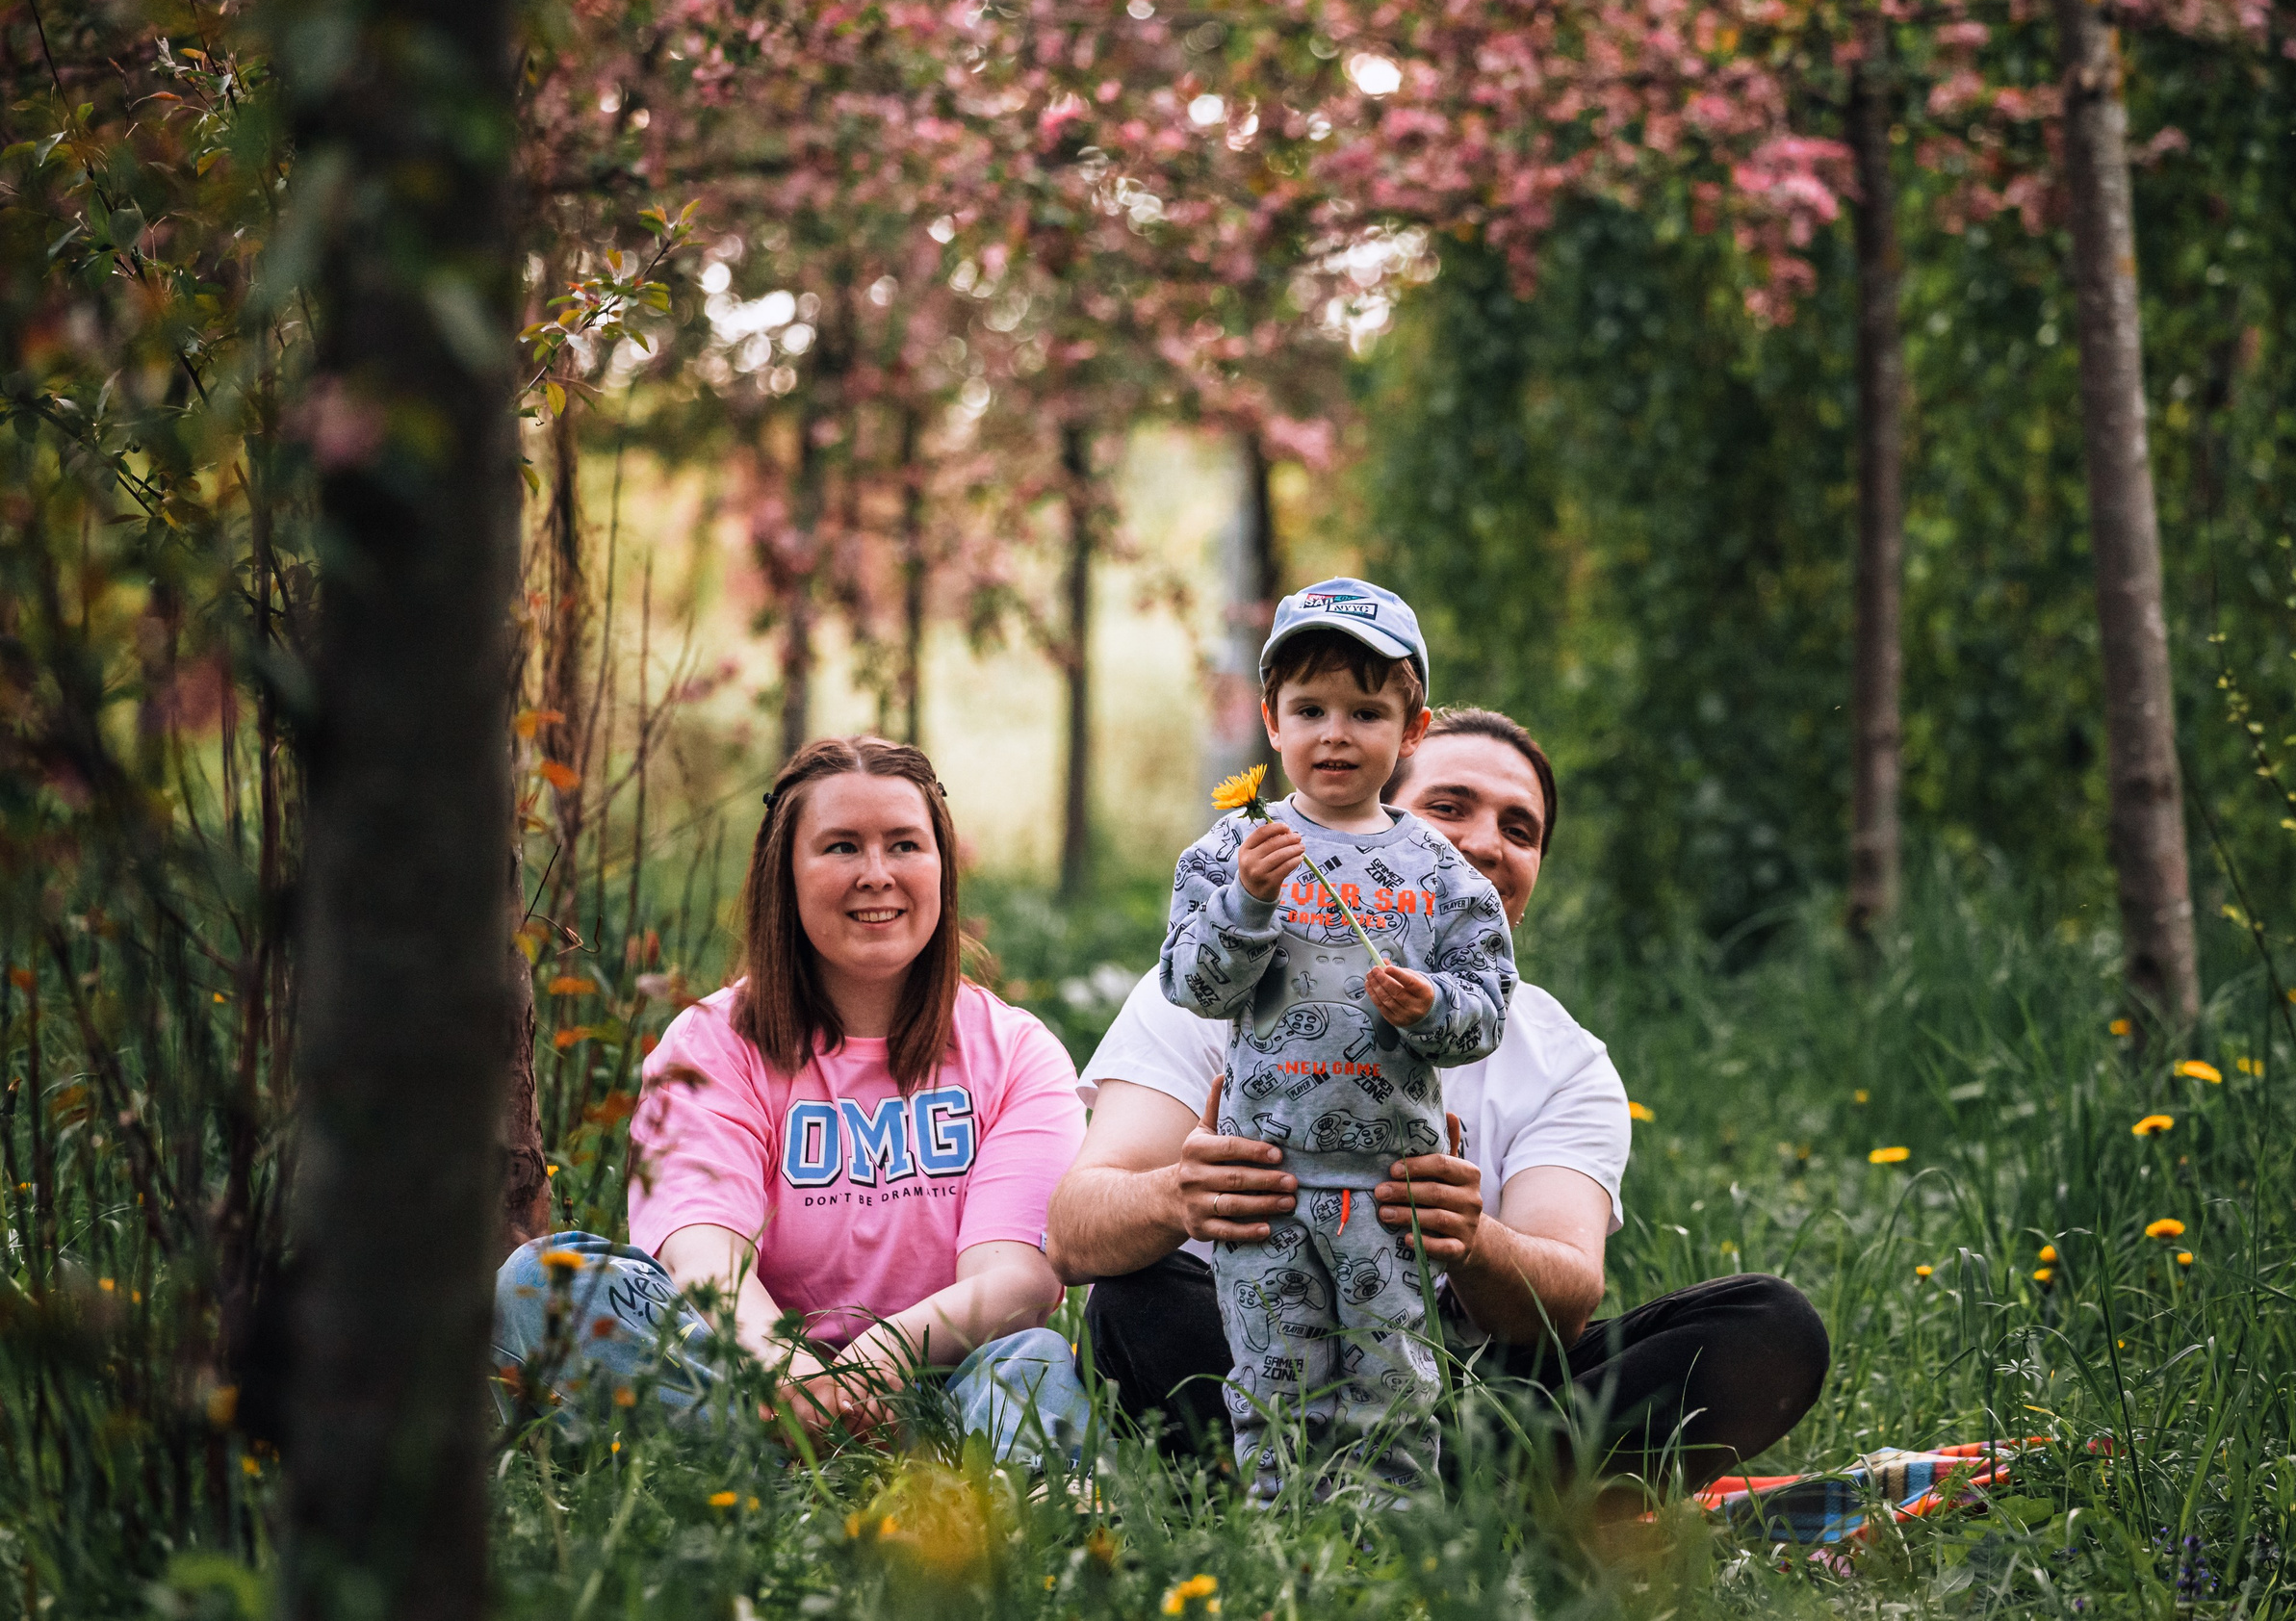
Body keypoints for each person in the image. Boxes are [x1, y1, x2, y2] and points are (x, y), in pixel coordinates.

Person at [1047, 707, 1831, 1490]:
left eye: (1520, 830)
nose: (1487, 842)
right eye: (1451, 807)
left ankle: (1434, 1483)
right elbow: (1076, 1234)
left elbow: (1561, 1306)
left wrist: (1471, 1236)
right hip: (1256, 1357)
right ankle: (1442, 1494)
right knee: (1132, 1299)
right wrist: (1179, 1195)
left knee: (1771, 1327)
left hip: (1470, 1390)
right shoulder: (1220, 978)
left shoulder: (1565, 1061)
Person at [493, 736, 1091, 1460]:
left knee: (1029, 1362)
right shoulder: (709, 1045)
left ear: (940, 866)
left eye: (905, 844)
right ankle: (816, 1473)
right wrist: (786, 1371)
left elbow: (1012, 1280)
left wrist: (887, 1353)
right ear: (787, 872)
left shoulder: (1019, 1052)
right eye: (841, 847)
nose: (877, 874)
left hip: (941, 1386)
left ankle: (958, 1507)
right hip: (741, 1377)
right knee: (542, 1285)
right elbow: (705, 1259)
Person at [1157, 578, 1515, 1500]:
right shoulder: (1230, 851)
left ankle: (1387, 1557)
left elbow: (1487, 1009)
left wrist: (1430, 1004)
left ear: (1413, 728)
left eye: (1366, 710)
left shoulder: (1442, 871)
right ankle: (1286, 1560)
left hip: (1386, 1196)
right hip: (1267, 1189)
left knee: (1391, 1391)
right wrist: (1246, 901)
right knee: (1274, 1395)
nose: (1336, 734)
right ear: (1271, 723)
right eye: (1309, 708)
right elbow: (1193, 986)